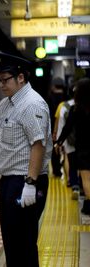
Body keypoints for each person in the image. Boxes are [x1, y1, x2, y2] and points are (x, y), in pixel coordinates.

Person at [0, 52, 52, 267]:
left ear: (21, 77)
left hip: (24, 182)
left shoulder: (32, 104)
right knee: (12, 243)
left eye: (5, 79)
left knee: (23, 244)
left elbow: (38, 144)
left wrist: (30, 183)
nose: (1, 84)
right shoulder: (7, 104)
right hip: (10, 182)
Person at [56, 77, 90, 215]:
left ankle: (88, 205)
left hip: (83, 148)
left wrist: (58, 142)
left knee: (86, 179)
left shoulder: (75, 109)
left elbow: (67, 128)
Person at [55, 84, 80, 200]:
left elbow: (63, 126)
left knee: (72, 163)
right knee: (84, 167)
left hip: (70, 141)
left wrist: (59, 142)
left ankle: (74, 184)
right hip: (85, 142)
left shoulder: (65, 106)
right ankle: (84, 189)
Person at [47, 77, 66, 177]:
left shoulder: (50, 97)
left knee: (54, 150)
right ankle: (69, 175)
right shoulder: (66, 96)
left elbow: (49, 115)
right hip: (66, 127)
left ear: (53, 86)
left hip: (54, 127)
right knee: (67, 152)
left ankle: (56, 171)